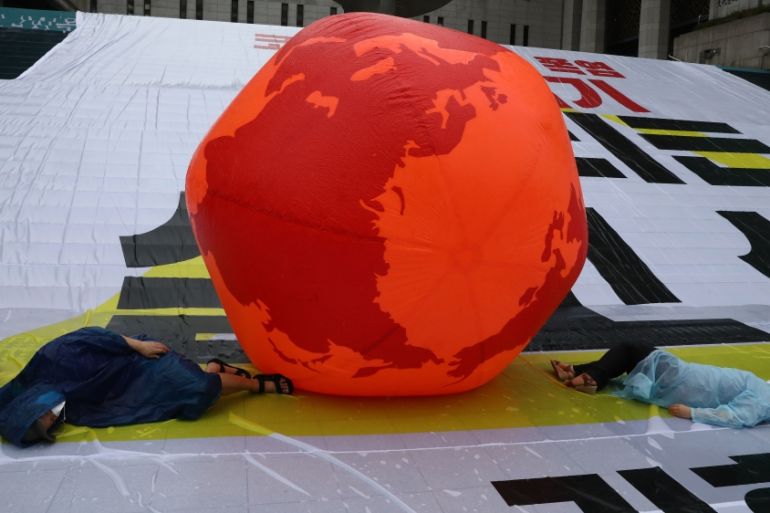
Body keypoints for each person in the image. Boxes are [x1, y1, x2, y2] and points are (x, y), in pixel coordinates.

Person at [0, 327, 293, 447]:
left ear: (29, 404)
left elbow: (90, 335)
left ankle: (255, 385)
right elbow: (116, 408)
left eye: (42, 417)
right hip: (131, 387)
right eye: (49, 425)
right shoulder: (67, 408)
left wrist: (137, 346)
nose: (52, 419)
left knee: (196, 385)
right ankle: (216, 370)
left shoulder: (53, 358)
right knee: (196, 391)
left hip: (133, 358)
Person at [550, 341, 770, 429]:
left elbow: (737, 417)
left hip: (687, 381)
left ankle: (590, 376)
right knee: (630, 359)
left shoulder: (763, 399)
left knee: (630, 350)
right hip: (690, 378)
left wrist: (692, 413)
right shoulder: (765, 392)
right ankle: (578, 371)